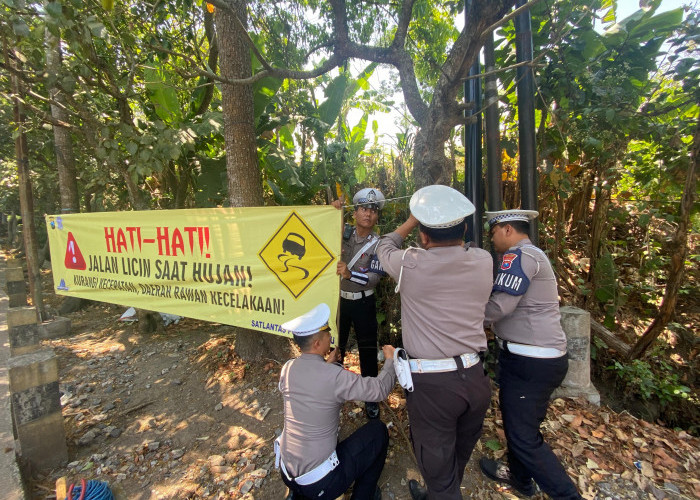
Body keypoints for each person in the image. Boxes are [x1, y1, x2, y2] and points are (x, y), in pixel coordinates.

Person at [375, 185, 493, 500]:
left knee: (440, 475)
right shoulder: (483, 260)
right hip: (475, 379)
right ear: (465, 228)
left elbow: (384, 244)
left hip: (434, 388)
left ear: (424, 238)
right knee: (456, 458)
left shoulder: (410, 263)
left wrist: (413, 219)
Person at [479, 209, 583, 500]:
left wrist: (463, 317)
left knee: (524, 437)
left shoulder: (518, 256)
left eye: (494, 231)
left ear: (508, 230)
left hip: (530, 362)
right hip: (535, 359)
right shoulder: (533, 255)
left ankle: (566, 495)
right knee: (519, 424)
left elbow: (500, 307)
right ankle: (520, 478)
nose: (491, 237)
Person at [276, 303, 396, 500]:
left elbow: (312, 383)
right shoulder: (334, 377)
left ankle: (297, 494)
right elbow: (379, 390)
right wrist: (390, 361)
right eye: (326, 334)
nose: (330, 336)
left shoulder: (288, 368)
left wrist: (327, 364)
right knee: (378, 431)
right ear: (316, 343)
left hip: (287, 473)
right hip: (320, 483)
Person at [332, 187, 386, 419]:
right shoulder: (342, 232)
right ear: (355, 212)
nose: (368, 214)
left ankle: (371, 399)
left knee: (367, 352)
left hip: (364, 303)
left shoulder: (379, 244)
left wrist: (349, 275)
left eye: (373, 210)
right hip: (339, 304)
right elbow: (319, 235)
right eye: (364, 208)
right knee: (336, 348)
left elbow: (374, 278)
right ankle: (331, 393)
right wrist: (332, 213)